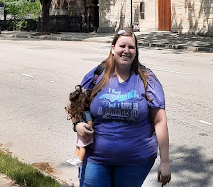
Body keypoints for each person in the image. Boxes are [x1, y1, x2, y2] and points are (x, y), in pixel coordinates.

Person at [74, 29, 171, 187]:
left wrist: (165, 161)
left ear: (136, 51)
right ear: (113, 48)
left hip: (135, 161)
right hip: (95, 158)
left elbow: (160, 121)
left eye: (131, 47)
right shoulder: (98, 75)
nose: (126, 51)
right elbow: (76, 105)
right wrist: (77, 124)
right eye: (122, 46)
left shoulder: (147, 78)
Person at [65, 85, 94, 166]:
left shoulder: (86, 112)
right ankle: (75, 157)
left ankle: (80, 159)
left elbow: (89, 121)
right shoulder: (80, 112)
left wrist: (89, 129)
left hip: (85, 131)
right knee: (78, 144)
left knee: (82, 146)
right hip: (81, 131)